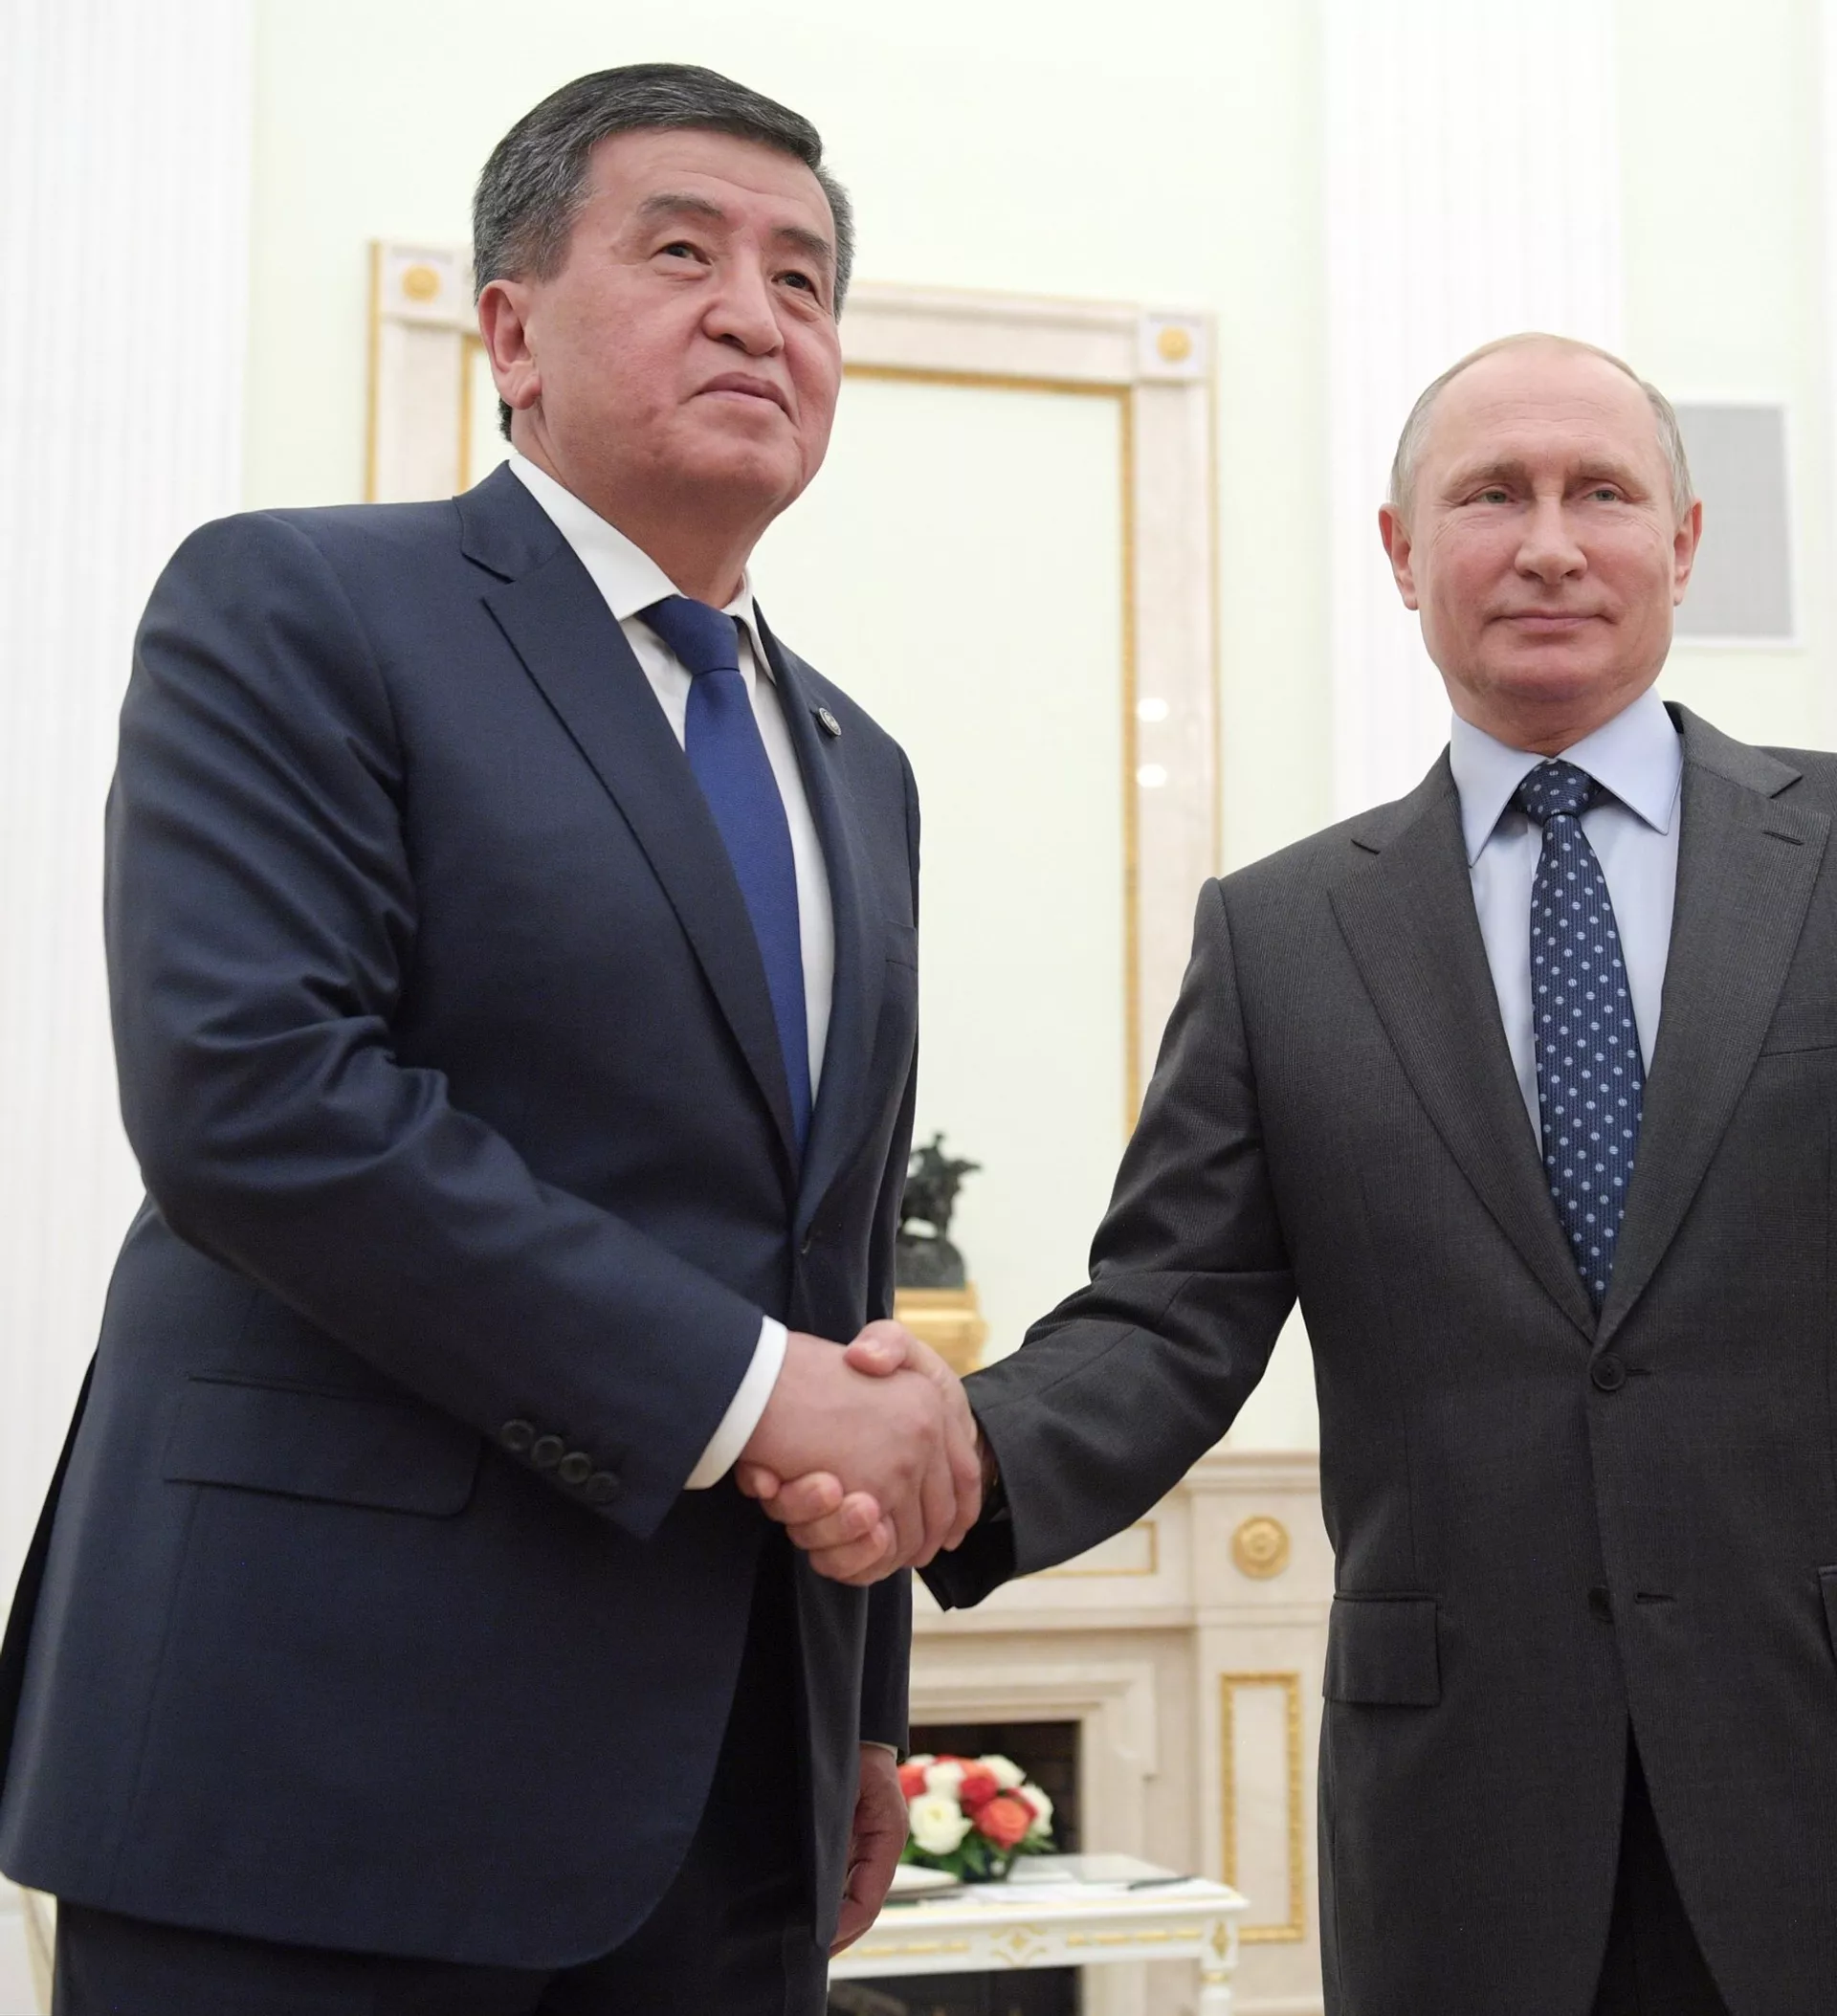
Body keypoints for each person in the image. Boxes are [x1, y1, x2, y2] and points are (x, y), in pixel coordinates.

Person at [0, 62, 979, 2016]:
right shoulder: (300, 602)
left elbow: (835, 1255)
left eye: (803, 280)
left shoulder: (858, 764)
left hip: (728, 1805)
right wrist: (749, 1392)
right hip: (315, 1762)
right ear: (512, 336)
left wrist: (856, 1704)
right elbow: (262, 1101)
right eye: (683, 253)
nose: (756, 314)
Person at [750, 335, 1837, 2014]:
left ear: (1683, 543)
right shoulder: (1284, 937)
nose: (1550, 543)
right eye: (1492, 495)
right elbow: (1168, 1316)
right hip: (1466, 1824)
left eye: (1602, 494)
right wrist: (955, 1449)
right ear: (1403, 552)